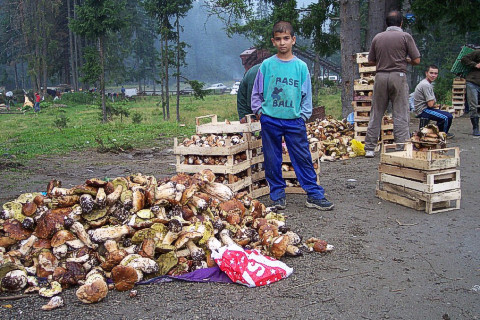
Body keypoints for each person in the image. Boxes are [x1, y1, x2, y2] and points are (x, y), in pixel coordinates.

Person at [251, 21, 334, 211]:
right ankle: (278, 196)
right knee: (272, 159)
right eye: (278, 39)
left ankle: (314, 194)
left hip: (294, 121)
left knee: (303, 157)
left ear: (293, 40)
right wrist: (260, 112)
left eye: (286, 38)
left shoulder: (301, 67)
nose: (282, 43)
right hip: (270, 120)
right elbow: (256, 92)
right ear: (273, 41)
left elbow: (307, 95)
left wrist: (303, 116)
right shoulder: (266, 65)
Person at [364, 11, 421, 157]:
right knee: (400, 112)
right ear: (401, 23)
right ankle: (401, 146)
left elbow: (370, 60)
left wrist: (383, 60)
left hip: (381, 76)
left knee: (376, 112)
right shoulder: (405, 37)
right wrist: (405, 59)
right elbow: (417, 60)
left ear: (386, 23)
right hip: (398, 76)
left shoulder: (378, 37)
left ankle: (370, 148)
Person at [413, 65, 454, 137]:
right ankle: (442, 134)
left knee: (444, 114)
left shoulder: (427, 83)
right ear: (426, 73)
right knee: (447, 117)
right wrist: (436, 105)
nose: (433, 75)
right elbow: (430, 104)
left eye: (435, 73)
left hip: (426, 108)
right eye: (431, 73)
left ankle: (435, 132)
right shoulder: (426, 85)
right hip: (423, 110)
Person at [461, 48, 480, 136]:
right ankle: (475, 128)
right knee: (473, 105)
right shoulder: (478, 53)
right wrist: (475, 65)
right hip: (473, 82)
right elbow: (464, 59)